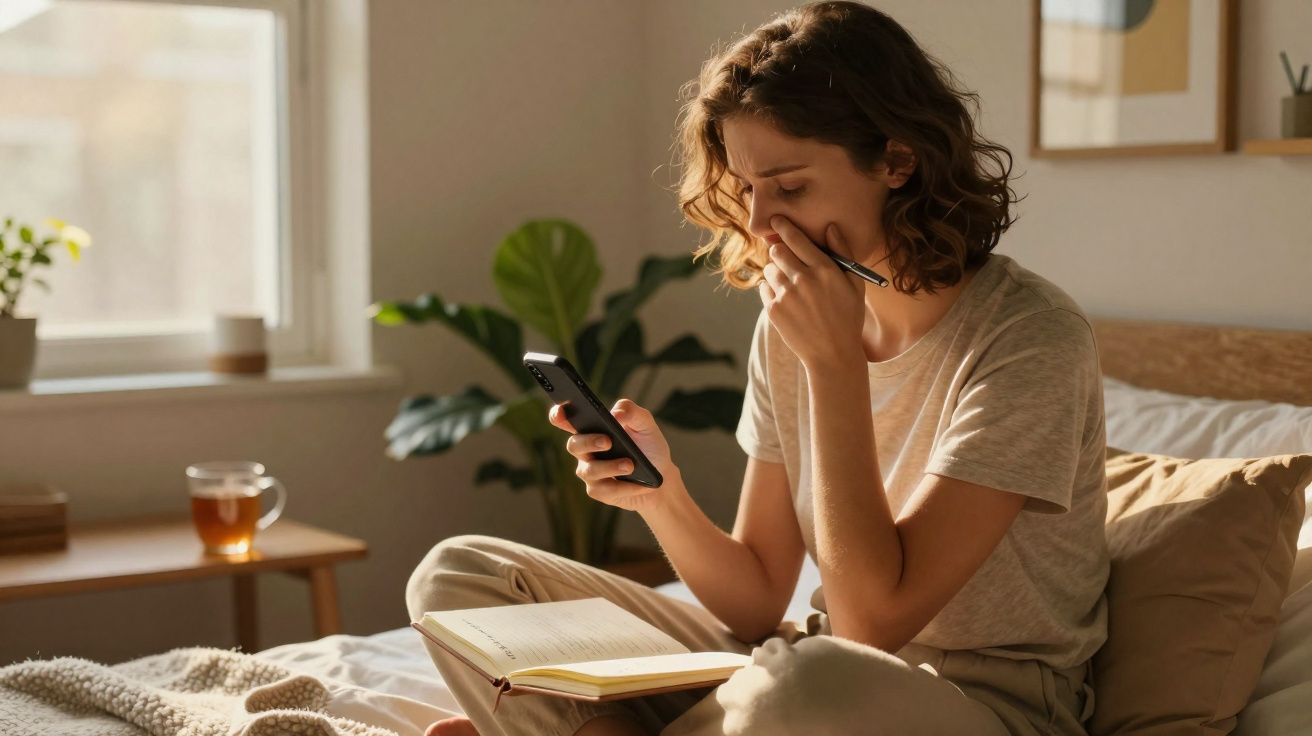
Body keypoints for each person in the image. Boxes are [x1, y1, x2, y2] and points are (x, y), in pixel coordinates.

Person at [407, 2, 1109, 734]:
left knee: (800, 682)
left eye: (791, 186)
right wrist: (661, 496)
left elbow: (871, 622)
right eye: (747, 188)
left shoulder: (1032, 340)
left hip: (981, 705)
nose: (761, 223)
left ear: (897, 162)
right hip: (805, 669)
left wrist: (834, 365)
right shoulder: (791, 328)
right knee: (460, 575)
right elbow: (755, 600)